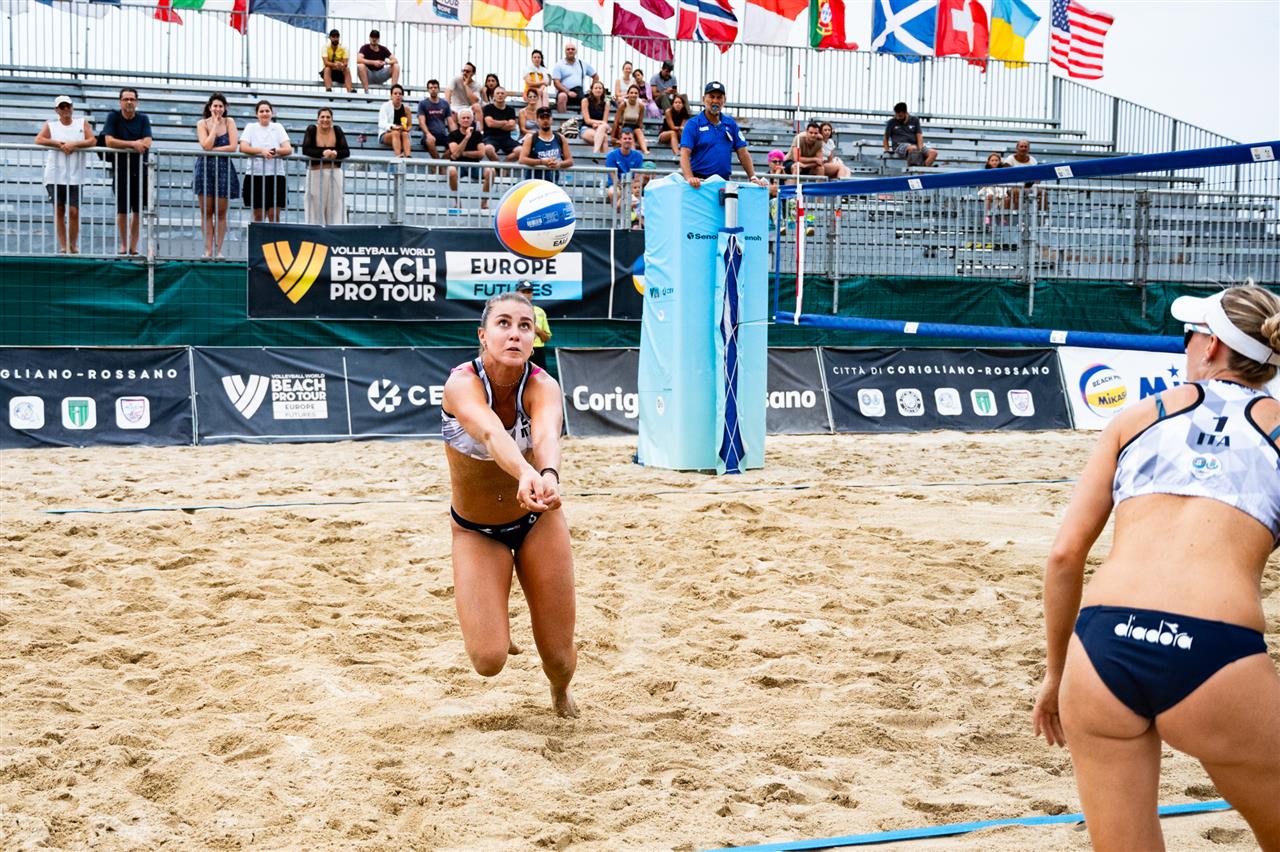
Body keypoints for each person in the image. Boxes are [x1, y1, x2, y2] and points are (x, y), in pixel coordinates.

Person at [1032, 285, 1280, 851]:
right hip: (1214, 650)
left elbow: (1065, 555)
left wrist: (1056, 675)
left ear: (1211, 346)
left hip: (1102, 648)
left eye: (1190, 333)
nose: (1185, 343)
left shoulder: (1136, 417)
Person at [441, 292, 577, 717]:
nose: (514, 333)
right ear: (482, 335)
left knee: (559, 658)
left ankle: (560, 691)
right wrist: (523, 472)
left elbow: (547, 436)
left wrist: (548, 475)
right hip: (476, 531)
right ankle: (496, 613)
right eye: (503, 323)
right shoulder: (461, 383)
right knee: (488, 660)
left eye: (524, 326)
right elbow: (490, 434)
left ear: (534, 339)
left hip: (536, 521)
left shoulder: (542, 385)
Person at [35, 95, 94, 255]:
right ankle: (64, 246)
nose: (66, 109)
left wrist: (74, 144)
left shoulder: (82, 123)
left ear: (72, 107)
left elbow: (92, 140)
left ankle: (72, 246)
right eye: (62, 106)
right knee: (59, 210)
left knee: (74, 211)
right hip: (55, 174)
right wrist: (59, 144)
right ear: (57, 110)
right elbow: (39, 139)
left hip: (76, 175)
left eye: (68, 105)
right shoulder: (51, 125)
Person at [679, 82, 765, 189]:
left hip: (723, 183)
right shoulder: (693, 124)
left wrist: (753, 177)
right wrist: (689, 177)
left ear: (724, 100)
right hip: (700, 184)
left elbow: (742, 152)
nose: (715, 101)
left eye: (719, 97)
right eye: (712, 97)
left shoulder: (730, 123)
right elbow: (684, 153)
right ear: (703, 99)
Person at [103, 87, 153, 256]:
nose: (129, 102)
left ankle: (133, 246)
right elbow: (109, 141)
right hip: (121, 169)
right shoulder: (113, 117)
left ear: (136, 102)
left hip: (140, 170)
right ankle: (124, 245)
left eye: (132, 99)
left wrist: (128, 144)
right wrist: (133, 144)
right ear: (120, 102)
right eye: (126, 99)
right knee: (122, 210)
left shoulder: (143, 118)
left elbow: (147, 142)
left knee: (138, 211)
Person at [192, 92, 240, 258]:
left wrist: (212, 150)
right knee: (206, 212)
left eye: (220, 106)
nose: (218, 109)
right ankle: (208, 250)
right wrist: (214, 126)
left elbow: (233, 146)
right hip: (205, 168)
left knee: (221, 212)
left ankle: (218, 250)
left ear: (225, 108)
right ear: (210, 107)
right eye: (215, 106)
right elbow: (205, 145)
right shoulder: (202, 123)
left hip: (223, 168)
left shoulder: (230, 122)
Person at [239, 99, 291, 223]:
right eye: (261, 111)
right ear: (256, 114)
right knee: (258, 216)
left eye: (267, 111)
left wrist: (275, 151)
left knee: (274, 216)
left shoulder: (278, 127)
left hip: (276, 175)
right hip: (255, 175)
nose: (264, 113)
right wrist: (261, 151)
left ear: (272, 113)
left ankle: (274, 236)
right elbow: (243, 147)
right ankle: (258, 236)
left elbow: (288, 149)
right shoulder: (250, 127)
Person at [302, 106, 349, 225]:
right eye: (322, 117)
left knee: (336, 205)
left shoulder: (337, 130)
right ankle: (315, 232)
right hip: (316, 173)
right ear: (317, 119)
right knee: (314, 206)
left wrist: (336, 153)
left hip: (335, 173)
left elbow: (346, 151)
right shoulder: (312, 129)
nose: (325, 120)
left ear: (332, 119)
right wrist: (323, 153)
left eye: (328, 117)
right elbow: (306, 149)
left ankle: (336, 231)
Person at [447, 110, 493, 203]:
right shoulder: (453, 135)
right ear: (459, 121)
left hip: (474, 166)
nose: (466, 120)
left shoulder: (477, 135)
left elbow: (481, 154)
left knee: (491, 171)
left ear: (472, 120)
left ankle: (484, 201)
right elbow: (455, 154)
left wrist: (463, 153)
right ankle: (457, 201)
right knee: (451, 170)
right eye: (463, 118)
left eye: (468, 118)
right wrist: (467, 137)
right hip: (458, 166)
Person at [518, 106, 573, 184]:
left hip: (552, 184)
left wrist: (559, 163)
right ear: (537, 120)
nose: (545, 120)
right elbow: (522, 159)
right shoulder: (531, 138)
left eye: (547, 118)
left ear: (552, 119)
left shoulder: (560, 138)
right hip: (533, 184)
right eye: (542, 118)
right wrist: (542, 162)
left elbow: (570, 161)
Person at [883, 101, 937, 167]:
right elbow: (886, 138)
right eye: (896, 114)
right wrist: (887, 150)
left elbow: (919, 135)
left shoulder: (915, 120)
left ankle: (921, 169)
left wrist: (921, 149)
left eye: (900, 115)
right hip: (899, 145)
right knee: (913, 148)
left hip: (915, 145)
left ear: (905, 112)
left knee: (933, 153)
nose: (897, 117)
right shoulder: (891, 122)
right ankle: (913, 170)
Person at [551, 42, 599, 114]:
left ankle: (584, 120)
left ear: (576, 51)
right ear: (565, 51)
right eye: (568, 49)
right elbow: (556, 83)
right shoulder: (559, 65)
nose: (570, 51)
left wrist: (592, 90)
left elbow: (595, 76)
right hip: (564, 92)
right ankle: (563, 120)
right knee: (562, 96)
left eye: (572, 49)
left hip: (579, 92)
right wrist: (568, 92)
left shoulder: (583, 63)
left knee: (587, 100)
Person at [605, 129, 643, 212]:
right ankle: (617, 214)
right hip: (616, 185)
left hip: (631, 185)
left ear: (633, 140)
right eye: (625, 138)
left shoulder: (638, 156)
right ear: (620, 140)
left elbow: (637, 177)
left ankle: (630, 216)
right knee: (613, 192)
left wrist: (629, 187)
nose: (627, 140)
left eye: (629, 138)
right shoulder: (611, 155)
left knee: (636, 193)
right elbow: (613, 177)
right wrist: (624, 189)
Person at [517, 281, 552, 371]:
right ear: (517, 293)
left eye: (529, 292)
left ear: (532, 294)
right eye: (523, 292)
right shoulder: (510, 310)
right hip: (519, 349)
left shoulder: (540, 311)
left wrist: (538, 330)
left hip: (537, 351)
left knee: (540, 378)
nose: (526, 295)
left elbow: (546, 339)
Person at [416, 79, 453, 160]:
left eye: (435, 87)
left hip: (442, 135)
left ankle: (440, 163)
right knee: (430, 141)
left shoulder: (445, 104)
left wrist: (454, 135)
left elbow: (450, 122)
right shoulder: (423, 104)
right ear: (428, 90)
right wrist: (428, 134)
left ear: (438, 89)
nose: (433, 89)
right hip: (429, 135)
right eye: (431, 88)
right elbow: (421, 122)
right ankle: (438, 163)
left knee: (455, 145)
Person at [482, 86, 521, 162]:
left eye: (502, 93)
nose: (500, 95)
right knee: (488, 149)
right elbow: (490, 123)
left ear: (505, 96)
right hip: (490, 137)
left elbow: (512, 126)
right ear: (494, 95)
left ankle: (505, 165)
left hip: (506, 138)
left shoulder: (510, 110)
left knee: (521, 150)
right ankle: (498, 166)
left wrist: (495, 124)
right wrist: (505, 122)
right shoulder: (488, 108)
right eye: (498, 93)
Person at [612, 84, 650, 156]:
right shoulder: (623, 105)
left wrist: (642, 132)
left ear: (638, 95)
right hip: (625, 126)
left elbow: (640, 122)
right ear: (628, 94)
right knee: (629, 134)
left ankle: (645, 151)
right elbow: (616, 121)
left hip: (635, 126)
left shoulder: (641, 106)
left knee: (639, 131)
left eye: (636, 93)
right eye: (631, 93)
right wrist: (612, 136)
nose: (633, 95)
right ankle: (634, 153)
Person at [1003, 139, 1041, 210]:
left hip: (1029, 187)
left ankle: (1043, 215)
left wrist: (1029, 186)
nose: (1023, 148)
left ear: (1028, 149)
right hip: (1012, 187)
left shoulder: (1033, 161)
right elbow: (1006, 176)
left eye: (1025, 147)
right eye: (1021, 146)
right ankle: (1018, 213)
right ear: (1017, 148)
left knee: (1043, 192)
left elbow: (1037, 179)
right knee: (1017, 191)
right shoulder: (1009, 159)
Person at [378, 84, 413, 159]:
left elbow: (410, 125)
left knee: (405, 134)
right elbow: (381, 123)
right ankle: (398, 157)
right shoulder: (385, 106)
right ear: (391, 96)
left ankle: (408, 157)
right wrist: (393, 127)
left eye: (400, 94)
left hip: (402, 134)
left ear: (402, 96)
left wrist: (406, 129)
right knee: (395, 133)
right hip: (386, 134)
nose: (398, 95)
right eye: (395, 93)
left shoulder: (406, 109)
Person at [579, 80, 611, 155]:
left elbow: (605, 121)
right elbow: (587, 120)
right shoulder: (585, 101)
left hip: (600, 128)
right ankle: (598, 156)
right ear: (592, 90)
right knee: (604, 137)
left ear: (603, 91)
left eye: (600, 88)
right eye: (596, 88)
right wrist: (598, 123)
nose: (598, 90)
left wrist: (597, 124)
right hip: (586, 128)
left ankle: (596, 155)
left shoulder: (606, 104)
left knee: (603, 132)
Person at [449, 62, 483, 126]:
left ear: (473, 73)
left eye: (467, 71)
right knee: (451, 112)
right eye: (463, 71)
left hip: (468, 107)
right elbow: (448, 90)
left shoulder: (477, 85)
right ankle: (454, 132)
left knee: (477, 106)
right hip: (455, 107)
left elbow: (474, 101)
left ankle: (479, 130)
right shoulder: (456, 79)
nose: (464, 73)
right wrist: (447, 105)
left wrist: (466, 85)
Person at [319, 29, 353, 93]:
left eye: (337, 37)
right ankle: (329, 90)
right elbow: (326, 62)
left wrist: (341, 65)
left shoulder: (344, 48)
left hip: (339, 71)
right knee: (327, 68)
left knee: (347, 69)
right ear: (329, 37)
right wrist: (335, 64)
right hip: (328, 72)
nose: (335, 39)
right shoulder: (325, 47)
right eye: (333, 37)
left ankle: (350, 91)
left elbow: (345, 63)